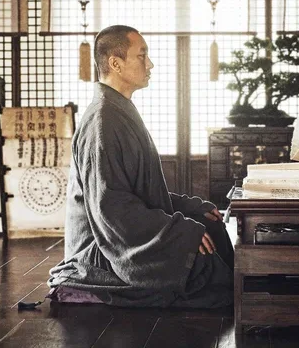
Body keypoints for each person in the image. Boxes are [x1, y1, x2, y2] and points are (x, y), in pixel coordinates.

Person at [49, 25, 234, 308]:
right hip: (103, 248)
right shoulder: (102, 122)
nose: (150, 64)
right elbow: (113, 210)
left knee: (211, 226)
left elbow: (141, 194)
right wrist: (181, 231)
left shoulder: (118, 109)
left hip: (123, 232)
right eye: (142, 56)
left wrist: (189, 208)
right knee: (206, 271)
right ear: (115, 63)